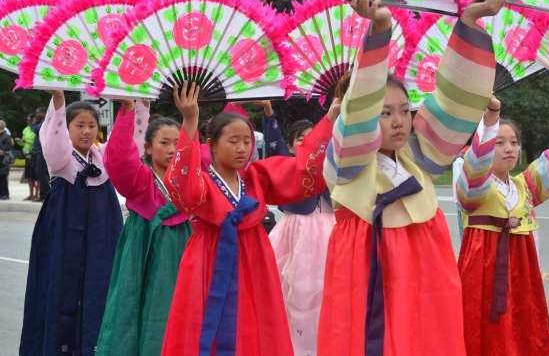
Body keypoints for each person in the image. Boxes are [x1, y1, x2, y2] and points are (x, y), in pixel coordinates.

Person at [318, 0, 504, 355]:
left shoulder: (419, 157)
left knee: (430, 339)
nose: (400, 121)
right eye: (385, 113)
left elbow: (453, 102)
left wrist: (470, 22)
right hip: (370, 273)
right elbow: (359, 109)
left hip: (428, 275)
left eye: (404, 111)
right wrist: (380, 27)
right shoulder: (347, 160)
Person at [160, 83, 338, 355]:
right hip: (210, 257)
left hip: (254, 257)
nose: (242, 148)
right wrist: (190, 119)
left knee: (255, 321)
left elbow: (302, 169)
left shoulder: (257, 176)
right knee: (206, 322)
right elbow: (182, 188)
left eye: (247, 141)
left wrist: (331, 118)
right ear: (212, 145)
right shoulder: (203, 183)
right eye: (233, 141)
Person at [455, 91, 549, 355]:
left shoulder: (525, 185)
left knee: (525, 338)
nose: (508, 148)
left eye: (514, 142)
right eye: (498, 142)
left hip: (524, 283)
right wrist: (491, 116)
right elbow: (475, 168)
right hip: (483, 282)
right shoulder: (472, 188)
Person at [20, 91, 123, 356]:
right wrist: (58, 99)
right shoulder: (61, 161)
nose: (87, 131)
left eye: (92, 126)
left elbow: (125, 145)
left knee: (98, 287)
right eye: (79, 125)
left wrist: (134, 107)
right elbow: (53, 140)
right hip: (62, 233)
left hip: (99, 233)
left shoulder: (101, 158)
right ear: (65, 129)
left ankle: (92, 345)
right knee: (60, 291)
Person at [97, 99, 192, 355]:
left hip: (182, 249)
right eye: (164, 143)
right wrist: (129, 111)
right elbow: (119, 160)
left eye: (177, 143)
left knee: (181, 305)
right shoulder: (141, 181)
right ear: (148, 148)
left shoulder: (188, 180)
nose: (172, 149)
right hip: (143, 249)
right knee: (135, 305)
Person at [257, 100, 336, 355]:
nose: (307, 142)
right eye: (301, 139)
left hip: (328, 230)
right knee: (293, 293)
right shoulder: (289, 167)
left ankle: (324, 344)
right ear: (291, 146)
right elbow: (275, 150)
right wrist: (269, 113)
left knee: (327, 292)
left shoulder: (328, 167)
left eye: (312, 137)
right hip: (295, 233)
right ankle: (292, 346)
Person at [15, 113, 39, 200]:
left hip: (35, 155)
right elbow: (23, 143)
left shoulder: (36, 129)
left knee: (37, 176)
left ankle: (37, 194)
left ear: (33, 120)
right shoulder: (25, 129)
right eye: (27, 120)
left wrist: (26, 141)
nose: (28, 122)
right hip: (27, 156)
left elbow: (35, 142)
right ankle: (31, 194)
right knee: (29, 176)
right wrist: (19, 141)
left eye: (29, 120)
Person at [30, 106, 50, 201]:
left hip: (42, 151)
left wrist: (33, 123)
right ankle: (42, 195)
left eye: (38, 113)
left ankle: (47, 194)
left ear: (44, 113)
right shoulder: (42, 121)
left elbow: (36, 130)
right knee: (41, 173)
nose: (36, 115)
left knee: (41, 172)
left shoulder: (45, 121)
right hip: (38, 150)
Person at [0, 119, 14, 200]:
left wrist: (3, 150)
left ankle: (5, 194)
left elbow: (9, 146)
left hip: (4, 160)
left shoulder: (6, 136)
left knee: (3, 177)